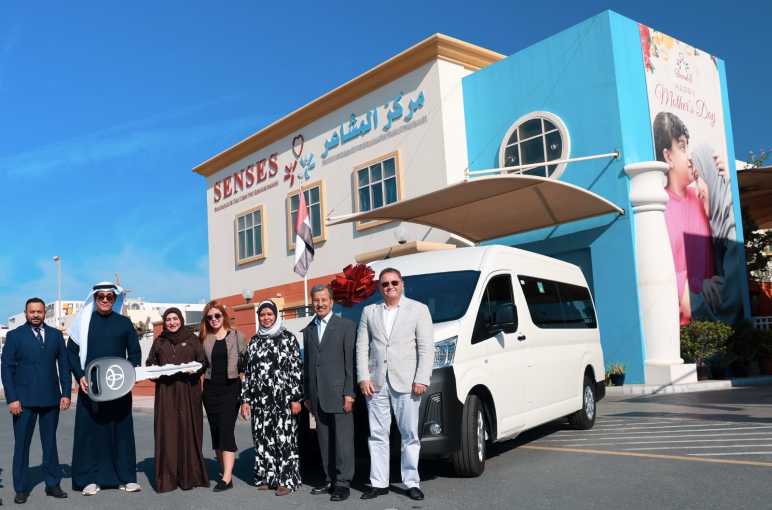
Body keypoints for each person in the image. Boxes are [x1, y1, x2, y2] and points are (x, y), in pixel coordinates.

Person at [356, 267, 433, 501]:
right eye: (385, 284)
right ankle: (379, 483)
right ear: (379, 287)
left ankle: (411, 482)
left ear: (402, 284)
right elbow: (362, 346)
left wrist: (422, 378)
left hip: (407, 383)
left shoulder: (418, 309)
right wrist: (363, 377)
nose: (390, 287)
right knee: (377, 435)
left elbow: (426, 348)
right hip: (376, 383)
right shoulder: (369, 311)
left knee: (409, 434)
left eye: (394, 283)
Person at [66, 282, 142, 496]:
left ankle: (125, 478)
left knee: (121, 432)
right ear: (94, 298)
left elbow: (134, 353)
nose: (106, 300)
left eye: (110, 297)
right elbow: (71, 353)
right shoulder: (83, 323)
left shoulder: (124, 323)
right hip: (91, 388)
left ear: (115, 299)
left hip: (118, 387)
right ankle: (88, 479)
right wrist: (80, 375)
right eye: (101, 296)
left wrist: (130, 374)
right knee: (90, 433)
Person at [1, 297, 71, 504]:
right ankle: (21, 488)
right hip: (23, 402)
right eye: (32, 312)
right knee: (22, 445)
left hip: (51, 399)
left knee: (50, 444)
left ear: (44, 313)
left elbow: (64, 366)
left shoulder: (56, 335)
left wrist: (66, 393)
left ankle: (53, 484)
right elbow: (7, 369)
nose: (35, 315)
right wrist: (12, 398)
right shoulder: (14, 336)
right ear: (26, 313)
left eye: (39, 311)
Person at [653, 111, 715, 325]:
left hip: (711, 319)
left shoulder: (700, 197)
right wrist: (693, 286)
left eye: (687, 147)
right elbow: (658, 273)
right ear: (668, 156)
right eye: (681, 147)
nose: (689, 157)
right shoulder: (659, 207)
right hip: (678, 324)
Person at [240, 300, 303, 496]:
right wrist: (245, 399)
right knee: (263, 439)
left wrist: (296, 398)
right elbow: (248, 373)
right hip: (260, 401)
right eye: (262, 315)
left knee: (284, 439)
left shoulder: (288, 338)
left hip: (283, 399)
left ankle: (287, 479)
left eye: (269, 314)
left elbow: (296, 370)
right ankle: (268, 477)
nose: (266, 318)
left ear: (276, 315)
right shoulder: (254, 341)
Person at [301, 284, 357, 502]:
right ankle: (329, 479)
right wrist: (307, 394)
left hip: (339, 393)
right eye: (316, 300)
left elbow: (350, 363)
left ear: (331, 301)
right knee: (324, 440)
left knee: (343, 441)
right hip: (317, 395)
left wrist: (349, 393)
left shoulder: (346, 326)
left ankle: (343, 483)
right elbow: (308, 364)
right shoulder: (309, 329)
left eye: (324, 300)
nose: (320, 304)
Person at [146, 307, 209, 493]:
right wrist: (154, 372)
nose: (172, 322)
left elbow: (203, 362)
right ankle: (168, 478)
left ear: (181, 319)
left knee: (188, 430)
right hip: (166, 393)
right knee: (168, 432)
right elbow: (150, 363)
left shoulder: (192, 339)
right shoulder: (159, 341)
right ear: (165, 322)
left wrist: (195, 369)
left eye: (175, 318)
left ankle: (190, 476)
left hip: (189, 391)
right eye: (168, 319)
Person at [199, 300, 247, 492]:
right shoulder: (204, 338)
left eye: (217, 315)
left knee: (226, 430)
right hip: (210, 391)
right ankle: (223, 469)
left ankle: (227, 478)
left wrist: (245, 397)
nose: (213, 319)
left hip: (231, 389)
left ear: (223, 316)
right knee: (216, 431)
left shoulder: (237, 336)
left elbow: (245, 367)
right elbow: (199, 364)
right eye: (209, 317)